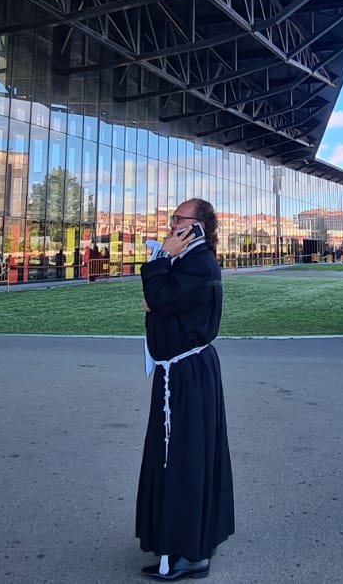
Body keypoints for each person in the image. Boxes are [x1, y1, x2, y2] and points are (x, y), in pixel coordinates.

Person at [137, 200, 234, 580]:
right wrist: (162, 268)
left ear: (198, 227)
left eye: (179, 219)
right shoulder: (189, 262)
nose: (171, 223)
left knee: (183, 457)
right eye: (173, 218)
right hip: (178, 371)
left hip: (187, 373)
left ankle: (189, 552)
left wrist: (162, 255)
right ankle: (182, 540)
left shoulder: (198, 262)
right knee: (175, 455)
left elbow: (157, 300)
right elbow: (154, 302)